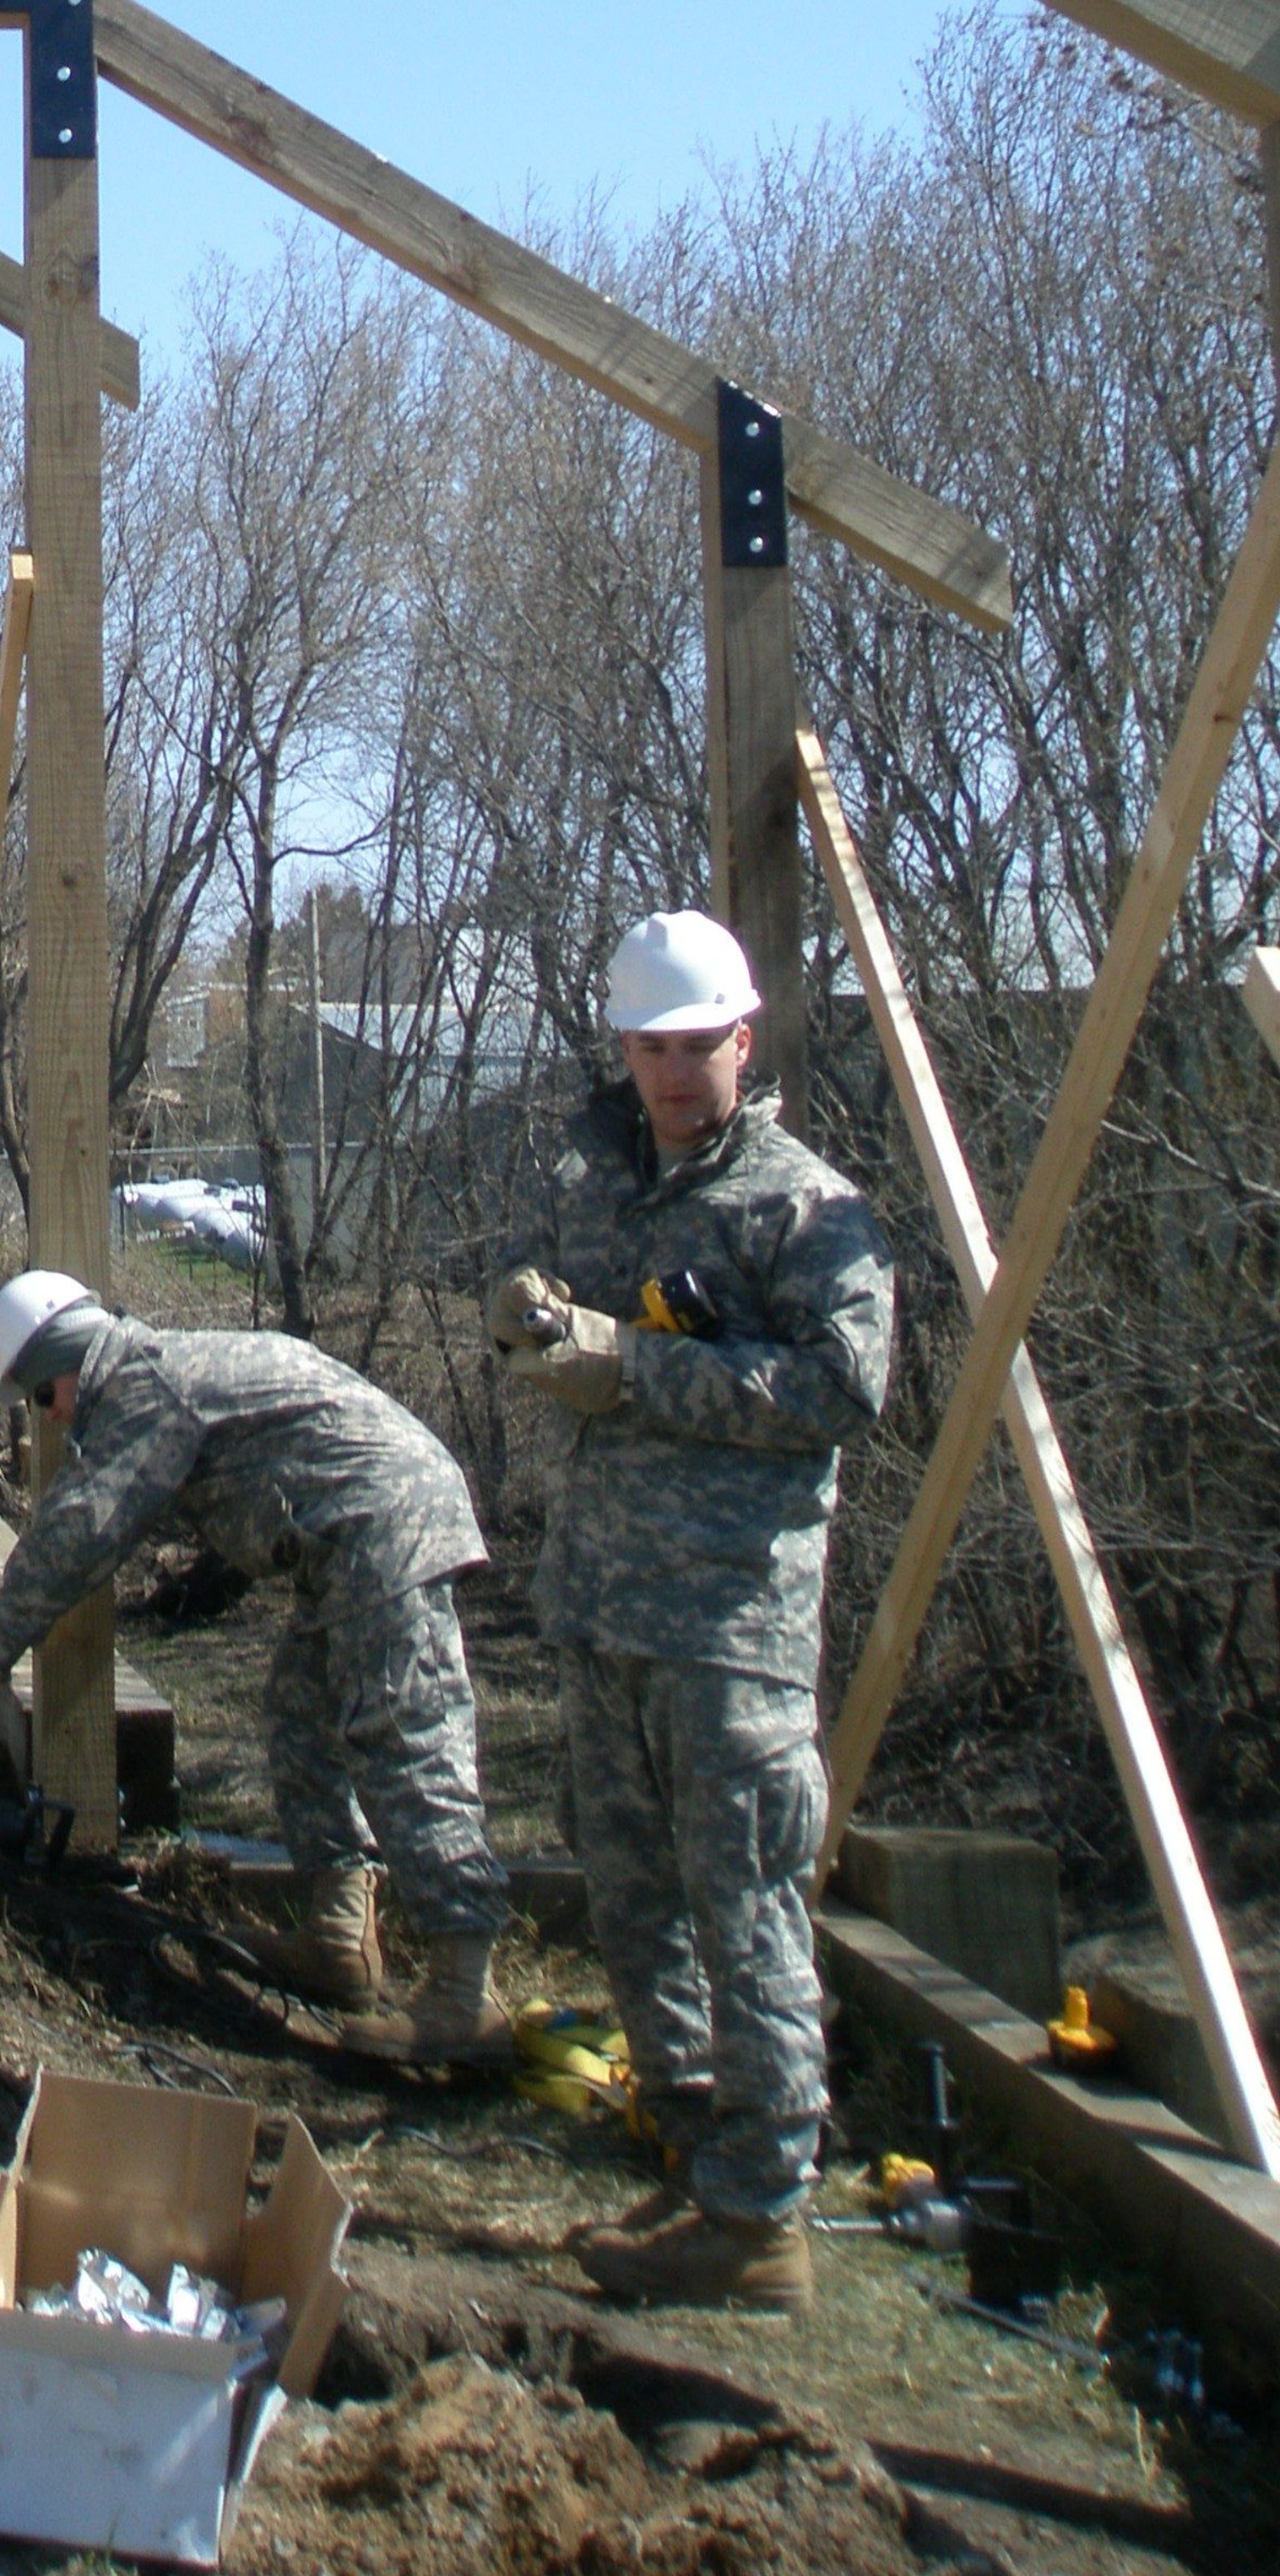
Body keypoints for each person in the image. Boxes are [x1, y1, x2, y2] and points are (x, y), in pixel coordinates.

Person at [491, 906, 897, 2317]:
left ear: (746, 1040)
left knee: (749, 1910)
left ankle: (762, 2214)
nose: (671, 1076)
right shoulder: (609, 1189)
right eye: (649, 1048)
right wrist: (543, 1330)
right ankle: (683, 2133)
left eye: (696, 1047)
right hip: (606, 1606)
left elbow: (843, 1395)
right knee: (634, 1899)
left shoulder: (806, 1208)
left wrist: (633, 1370)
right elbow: (588, 1346)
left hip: (732, 1624)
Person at [0, 1273, 513, 2054]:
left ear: (67, 1358)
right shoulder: (163, 1374)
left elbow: (79, 1534)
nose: (54, 1415)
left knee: (402, 1734)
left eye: (43, 1396)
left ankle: (464, 1992)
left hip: (384, 1529)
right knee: (301, 1714)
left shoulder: (145, 1386)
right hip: (349, 1538)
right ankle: (340, 1937)